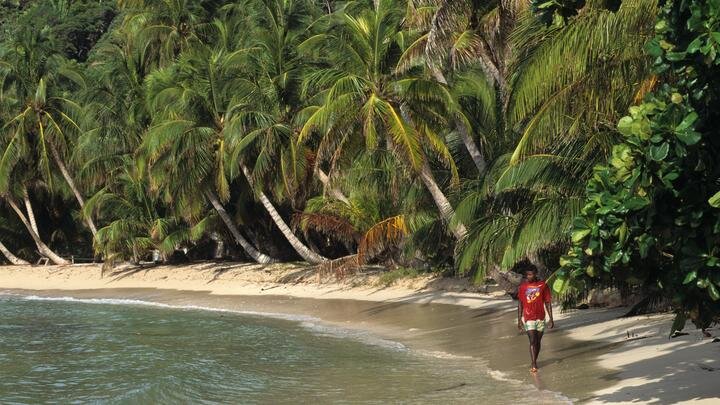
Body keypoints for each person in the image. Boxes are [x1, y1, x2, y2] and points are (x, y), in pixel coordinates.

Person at [516, 261, 554, 373]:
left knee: (538, 341)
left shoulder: (543, 285)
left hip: (541, 317)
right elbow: (520, 304)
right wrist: (519, 320)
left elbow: (547, 302)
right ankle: (534, 363)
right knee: (532, 340)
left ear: (536, 274)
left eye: (531, 274)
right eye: (527, 275)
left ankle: (535, 360)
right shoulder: (523, 287)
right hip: (528, 317)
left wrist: (551, 319)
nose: (529, 277)